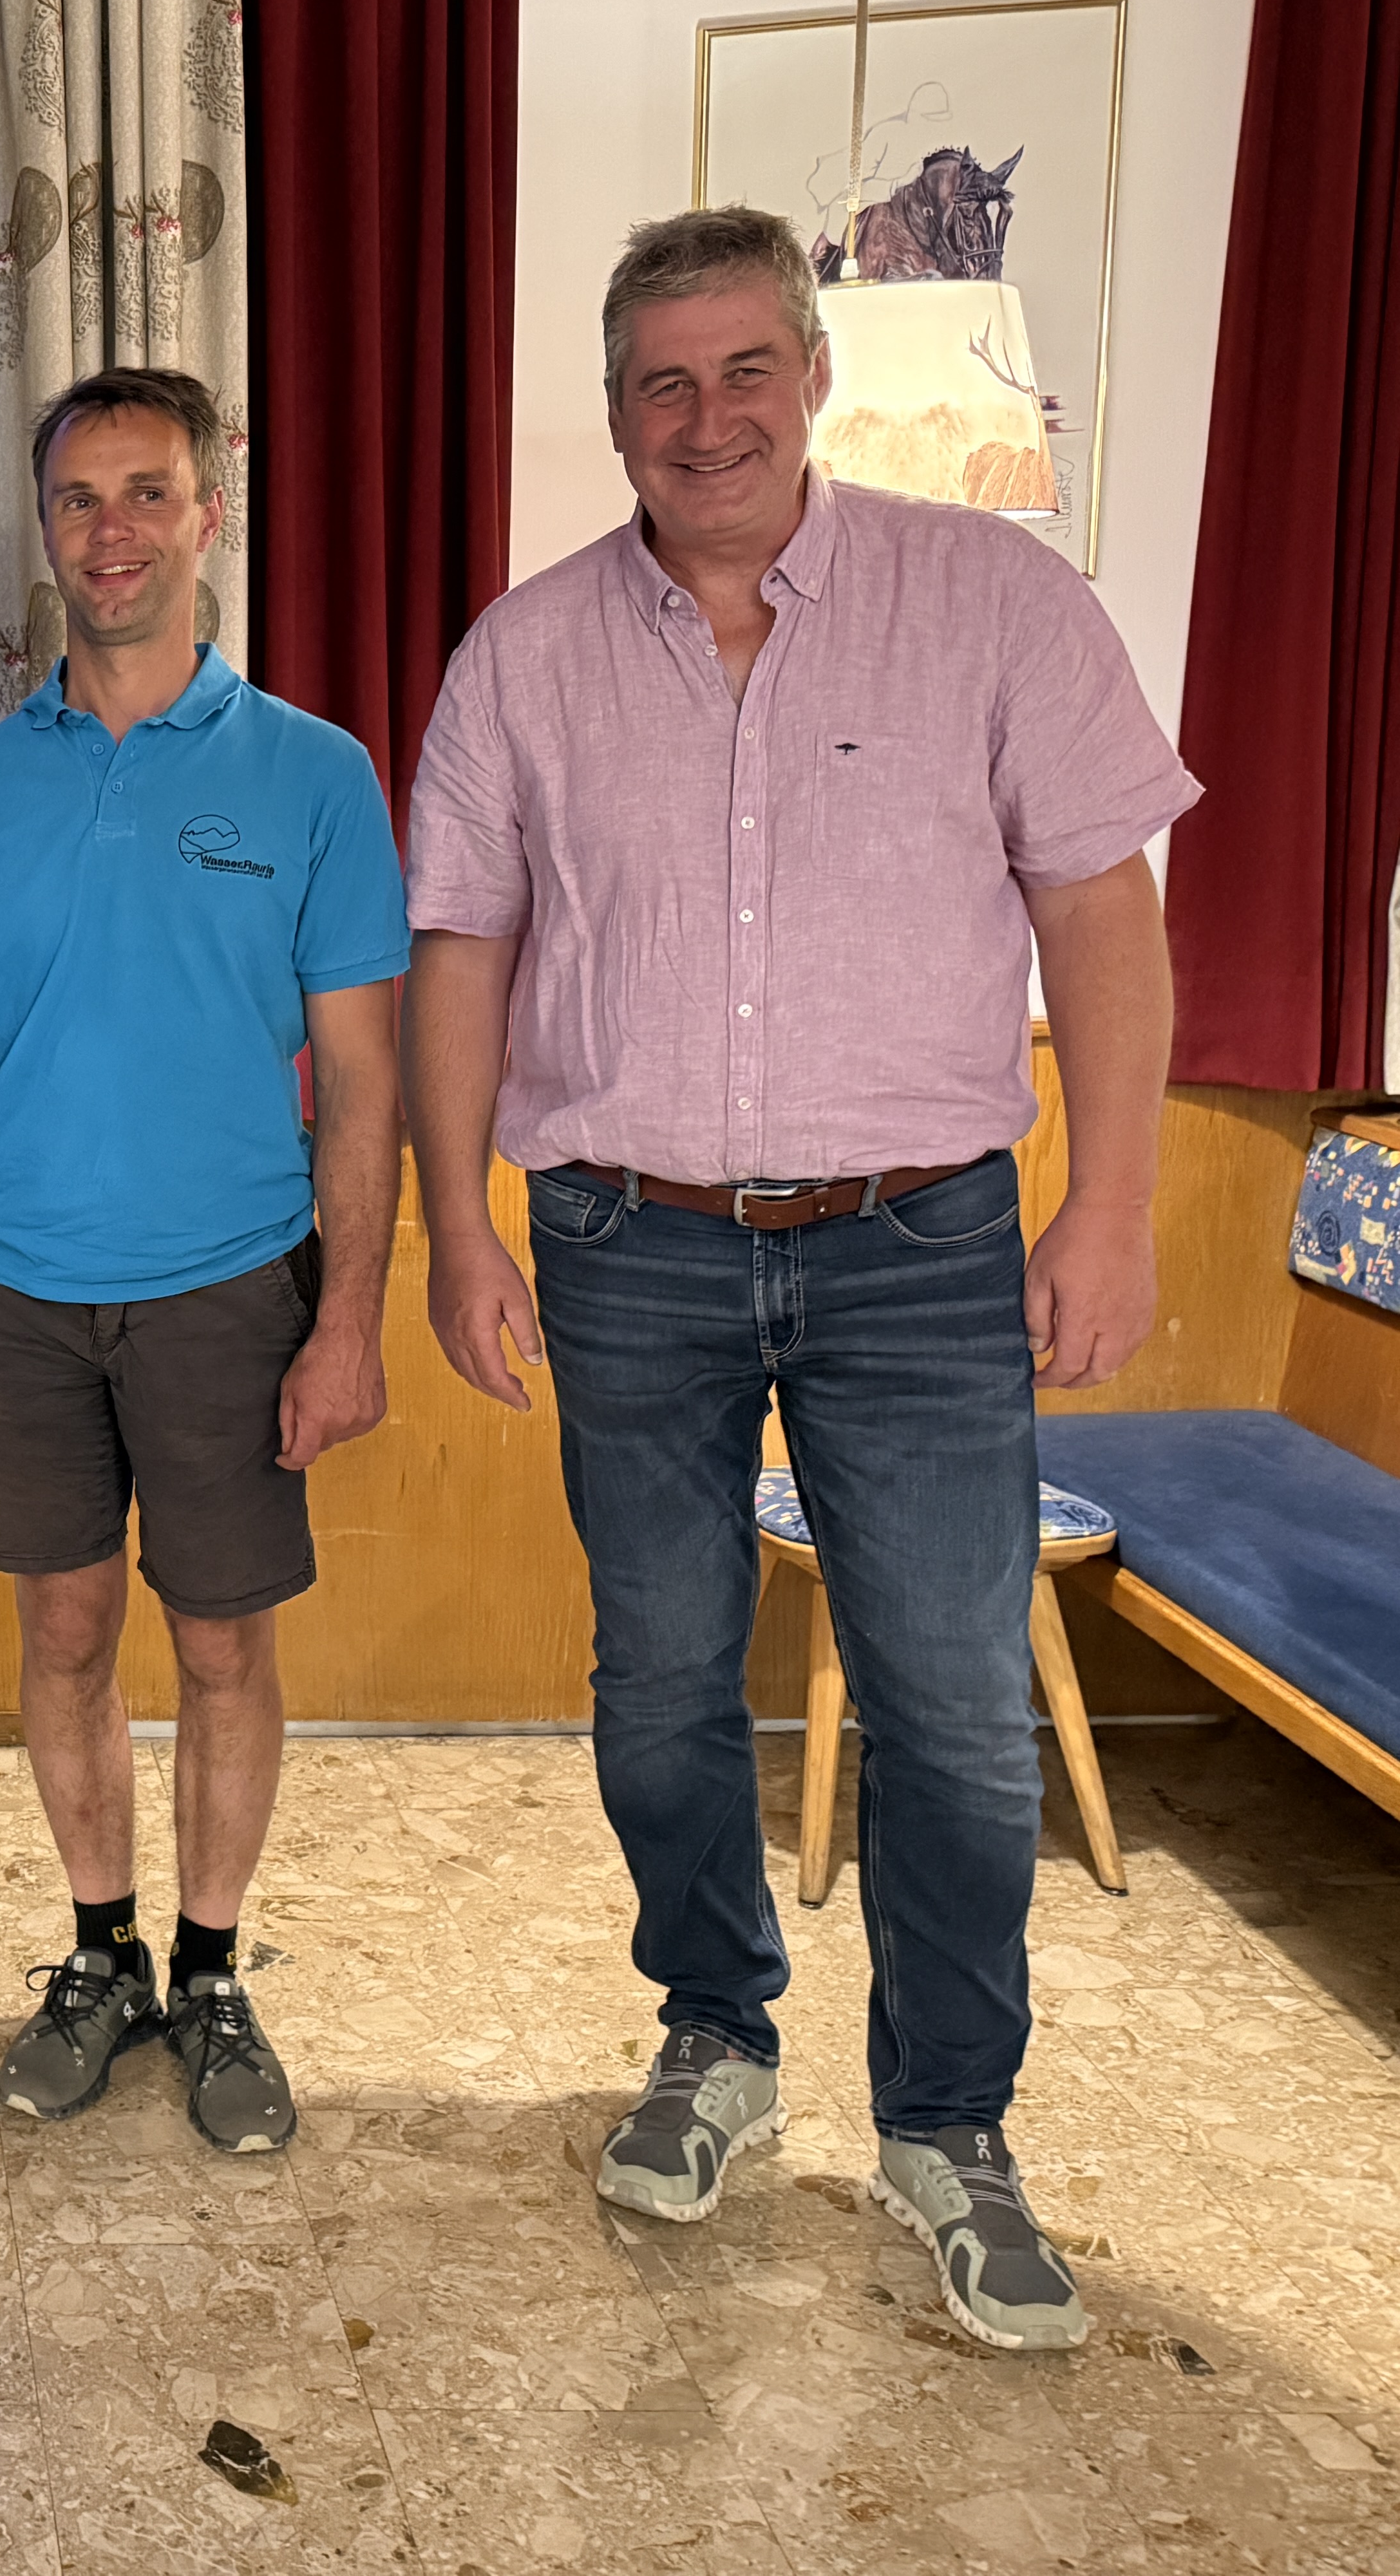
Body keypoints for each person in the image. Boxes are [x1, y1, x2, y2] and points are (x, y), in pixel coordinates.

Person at [404, 206, 1196, 2353]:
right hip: (623, 1241)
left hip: (924, 1247)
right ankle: (716, 2031)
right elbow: (462, 945)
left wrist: (1113, 1204)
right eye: (661, 382)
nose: (707, 417)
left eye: (745, 367)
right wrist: (458, 1223)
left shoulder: (996, 604)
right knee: (659, 1682)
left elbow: (1102, 914)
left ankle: (949, 2122)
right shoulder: (526, 655)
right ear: (613, 413)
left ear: (814, 378)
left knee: (954, 1704)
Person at [0, 367, 407, 2148]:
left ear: (208, 514)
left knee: (226, 1647)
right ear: (45, 531)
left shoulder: (314, 775)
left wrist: (349, 1320)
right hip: (15, 1294)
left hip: (230, 1286)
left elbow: (363, 1078)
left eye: (147, 492)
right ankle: (101, 1954)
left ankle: (214, 1967)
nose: (112, 531)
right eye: (79, 499)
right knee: (65, 1628)